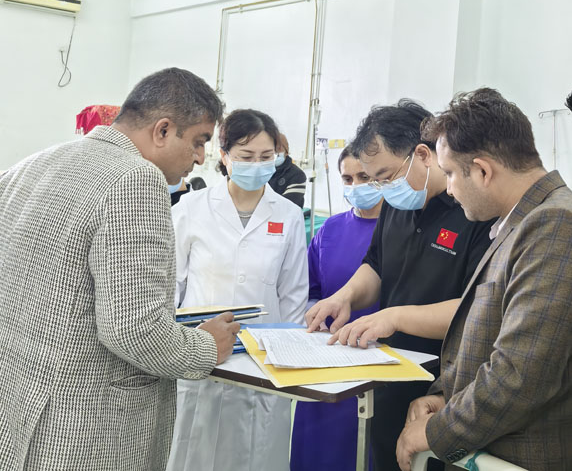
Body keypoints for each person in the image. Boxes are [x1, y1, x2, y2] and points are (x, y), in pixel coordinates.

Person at [0, 67, 240, 471]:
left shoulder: (31, 165)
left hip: (17, 406)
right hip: (79, 429)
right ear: (163, 130)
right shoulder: (135, 178)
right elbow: (133, 328)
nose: (201, 158)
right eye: (199, 141)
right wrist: (205, 346)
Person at [396, 87, 572, 471]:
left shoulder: (557, 225)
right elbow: (493, 337)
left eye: (450, 173)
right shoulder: (523, 224)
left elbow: (519, 375)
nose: (449, 188)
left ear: (483, 171)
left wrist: (437, 431)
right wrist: (445, 398)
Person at [305, 99, 494, 471]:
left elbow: (477, 309)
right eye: (373, 178)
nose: (381, 187)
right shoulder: (397, 202)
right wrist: (345, 296)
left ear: (422, 155)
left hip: (446, 389)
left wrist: (394, 317)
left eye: (386, 175)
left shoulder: (473, 210)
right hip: (389, 375)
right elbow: (376, 265)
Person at [167, 109, 308, 471]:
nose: (256, 165)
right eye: (246, 156)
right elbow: (171, 287)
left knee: (257, 456)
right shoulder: (191, 208)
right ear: (225, 156)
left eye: (266, 156)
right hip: (201, 359)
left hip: (264, 364)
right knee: (193, 455)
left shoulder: (288, 215)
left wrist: (287, 359)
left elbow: (294, 296)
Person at [290, 146, 383, 471]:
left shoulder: (397, 230)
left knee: (361, 452)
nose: (356, 186)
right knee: (315, 452)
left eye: (365, 177)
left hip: (376, 363)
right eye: (347, 178)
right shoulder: (329, 229)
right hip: (326, 360)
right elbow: (311, 289)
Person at [269, 132, 307, 207]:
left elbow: (286, 204)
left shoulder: (297, 175)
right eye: (269, 151)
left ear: (286, 151)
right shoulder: (262, 171)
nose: (274, 153)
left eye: (278, 149)